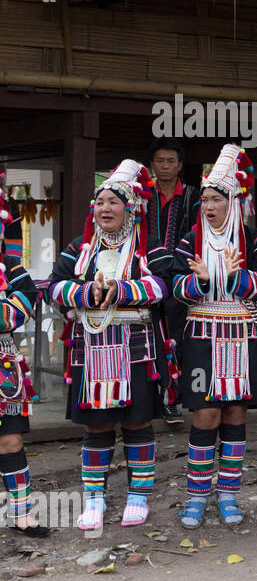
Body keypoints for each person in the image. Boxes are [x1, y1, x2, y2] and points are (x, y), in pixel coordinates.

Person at [48, 160, 172, 530]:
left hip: (137, 348)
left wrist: (120, 290)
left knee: (136, 424)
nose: (105, 208)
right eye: (100, 202)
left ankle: (138, 496)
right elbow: (54, 287)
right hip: (91, 349)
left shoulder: (150, 246)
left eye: (114, 202)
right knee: (97, 427)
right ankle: (95, 500)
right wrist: (87, 291)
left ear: (130, 207)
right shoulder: (78, 249)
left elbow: (164, 286)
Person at [172, 143, 257, 529]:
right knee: (205, 413)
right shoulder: (189, 241)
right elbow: (175, 288)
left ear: (233, 200)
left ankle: (229, 493)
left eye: (217, 198)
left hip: (244, 335)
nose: (210, 206)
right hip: (202, 336)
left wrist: (233, 277)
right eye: (205, 199)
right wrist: (200, 281)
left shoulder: (255, 240)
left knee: (235, 412)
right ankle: (197, 495)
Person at [0, 179, 45, 536]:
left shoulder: (11, 268)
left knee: (11, 442)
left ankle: (20, 512)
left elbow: (23, 307)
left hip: (4, 367)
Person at [146, 136, 200, 425]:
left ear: (180, 165)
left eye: (171, 161)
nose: (165, 166)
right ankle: (159, 397)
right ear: (151, 164)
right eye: (160, 161)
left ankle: (176, 399)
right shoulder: (141, 197)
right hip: (148, 276)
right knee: (152, 335)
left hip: (181, 276)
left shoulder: (194, 197)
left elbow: (198, 235)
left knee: (178, 337)